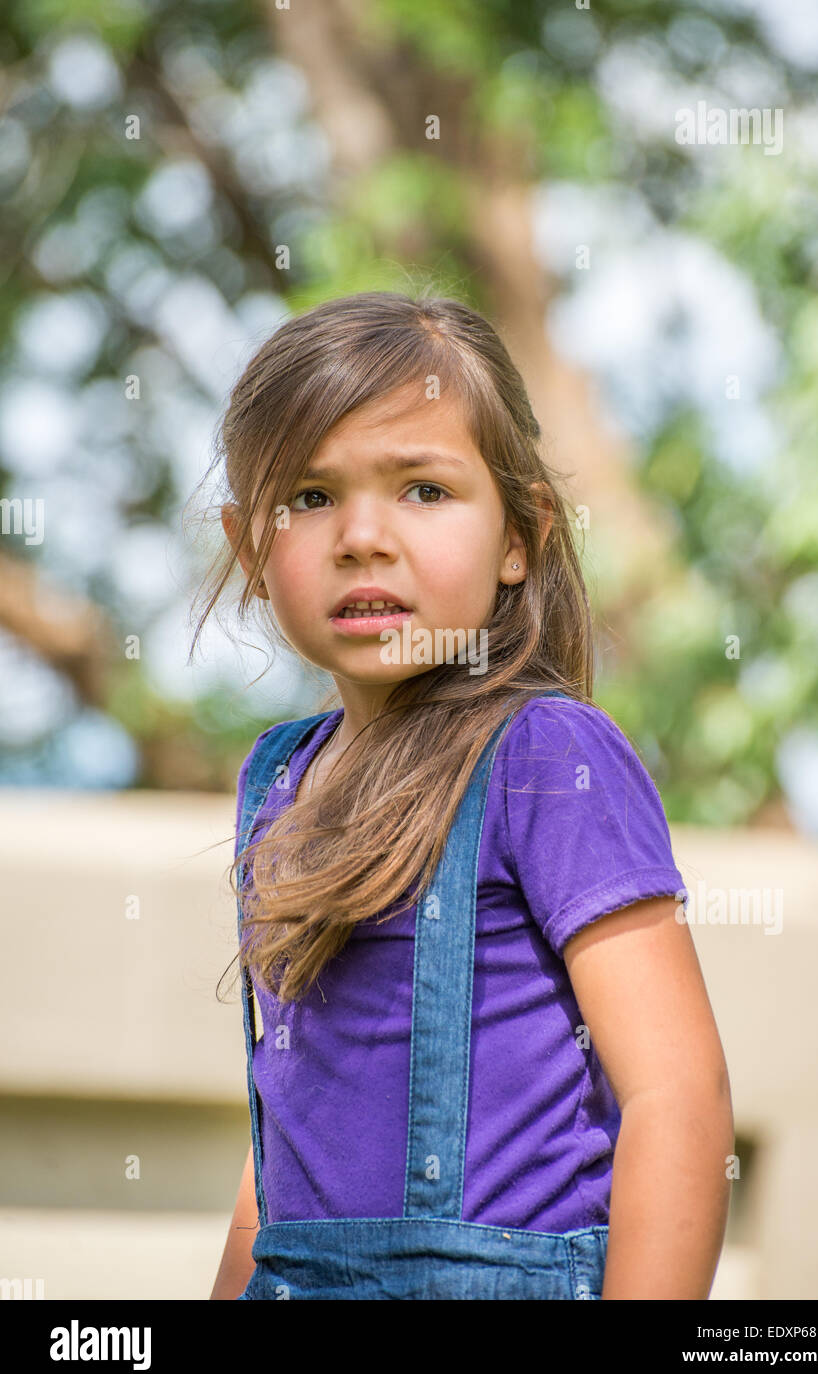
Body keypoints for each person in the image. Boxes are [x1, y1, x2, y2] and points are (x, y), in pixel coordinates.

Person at [198, 290, 733, 1300]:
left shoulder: (547, 757)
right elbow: (284, 1151)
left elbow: (678, 1094)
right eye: (310, 498)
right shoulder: (278, 780)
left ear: (519, 536)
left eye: (424, 490)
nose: (362, 535)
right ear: (249, 552)